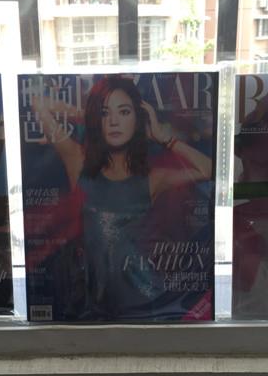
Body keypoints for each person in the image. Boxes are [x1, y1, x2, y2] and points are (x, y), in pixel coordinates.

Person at [31, 75, 213, 319]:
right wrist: (89, 116)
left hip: (146, 303)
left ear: (138, 119)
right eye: (105, 113)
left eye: (124, 112)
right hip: (94, 306)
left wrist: (164, 137)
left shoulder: (152, 178)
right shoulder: (78, 163)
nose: (114, 121)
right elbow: (38, 104)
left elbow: (209, 169)